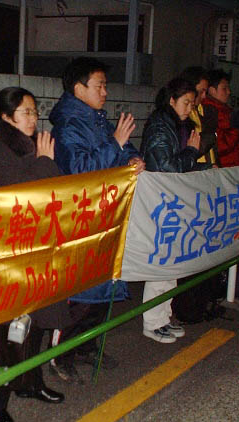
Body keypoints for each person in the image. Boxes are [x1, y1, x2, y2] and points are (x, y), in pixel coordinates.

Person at [0, 87, 68, 422]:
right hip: (8, 256)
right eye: (25, 112)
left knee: (33, 324)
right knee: (5, 332)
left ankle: (29, 381)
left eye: (35, 112)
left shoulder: (32, 147)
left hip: (35, 251)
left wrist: (44, 162)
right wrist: (44, 163)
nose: (33, 118)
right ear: (6, 117)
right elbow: (19, 198)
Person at [48, 57, 145, 382]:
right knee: (81, 293)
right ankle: (61, 354)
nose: (105, 91)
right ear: (79, 88)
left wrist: (132, 157)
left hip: (106, 215)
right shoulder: (68, 125)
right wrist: (116, 143)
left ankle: (86, 346)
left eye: (105, 85)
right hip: (81, 219)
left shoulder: (96, 119)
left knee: (103, 288)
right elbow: (80, 170)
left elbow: (121, 148)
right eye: (99, 85)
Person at [138, 78, 201, 342]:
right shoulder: (160, 126)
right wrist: (192, 152)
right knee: (162, 263)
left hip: (172, 200)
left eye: (192, 103)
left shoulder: (176, 125)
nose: (189, 108)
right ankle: (153, 322)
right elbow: (167, 166)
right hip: (160, 202)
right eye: (186, 102)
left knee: (172, 262)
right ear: (172, 100)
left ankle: (163, 317)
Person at [202, 69, 239, 167]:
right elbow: (219, 145)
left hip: (233, 164)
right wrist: (237, 130)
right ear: (212, 90)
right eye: (224, 88)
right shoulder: (209, 112)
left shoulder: (225, 110)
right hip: (223, 166)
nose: (229, 92)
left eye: (228, 88)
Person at [180, 66, 218, 169]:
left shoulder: (206, 111)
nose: (204, 96)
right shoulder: (182, 114)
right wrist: (212, 136)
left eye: (206, 92)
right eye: (201, 91)